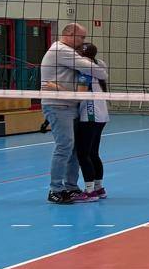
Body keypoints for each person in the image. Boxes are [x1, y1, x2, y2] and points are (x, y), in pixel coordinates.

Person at [38, 22, 103, 204]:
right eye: (81, 37)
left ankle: (71, 187)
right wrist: (98, 67)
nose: (83, 41)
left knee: (73, 149)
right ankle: (55, 190)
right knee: (64, 146)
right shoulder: (61, 50)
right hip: (58, 105)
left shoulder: (68, 52)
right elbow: (97, 70)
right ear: (70, 34)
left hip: (70, 106)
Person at [73, 41, 109, 201]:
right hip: (101, 115)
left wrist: (56, 88)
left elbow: (80, 93)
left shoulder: (86, 70)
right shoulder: (99, 65)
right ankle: (99, 188)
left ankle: (89, 192)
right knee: (93, 153)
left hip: (90, 115)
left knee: (83, 153)